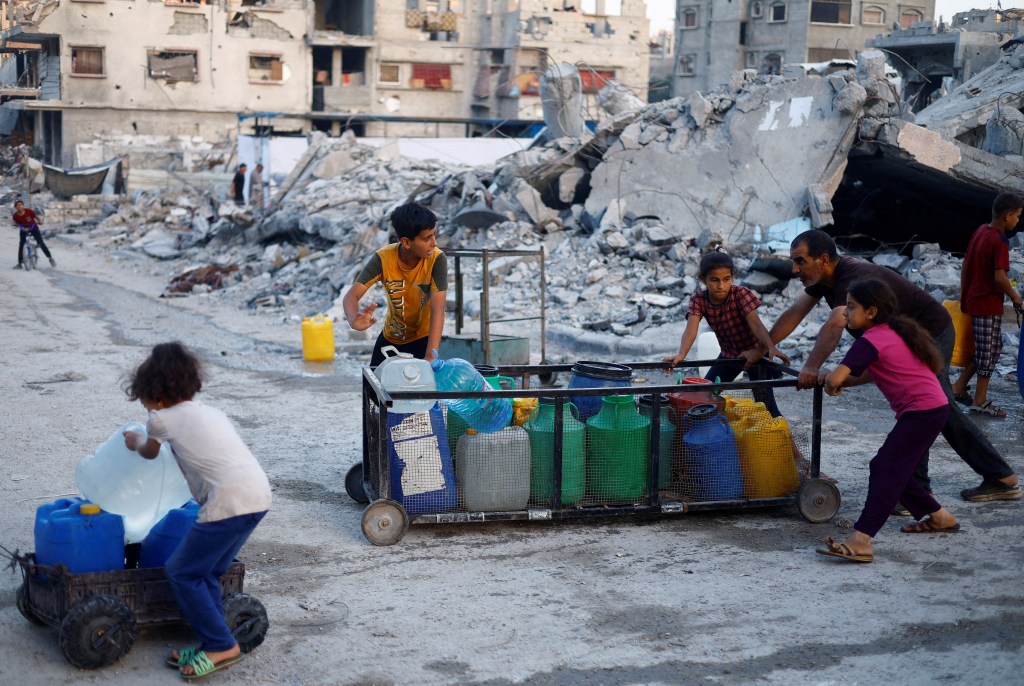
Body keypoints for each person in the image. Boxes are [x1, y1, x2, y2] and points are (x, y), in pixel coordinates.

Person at [760, 229, 1019, 503]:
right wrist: (763, 346)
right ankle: (927, 491)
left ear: (823, 259)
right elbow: (795, 312)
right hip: (900, 339)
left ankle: (995, 478)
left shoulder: (851, 276)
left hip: (929, 333)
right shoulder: (824, 278)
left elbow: (837, 322)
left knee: (930, 407)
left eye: (800, 261)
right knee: (922, 409)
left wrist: (811, 367)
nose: (794, 268)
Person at [122, 342, 271, 680]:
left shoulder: (160, 420)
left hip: (227, 503)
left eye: (143, 398)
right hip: (257, 497)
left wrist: (134, 441)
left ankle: (221, 644)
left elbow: (148, 452)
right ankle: (213, 641)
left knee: (182, 571)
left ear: (153, 394)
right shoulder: (209, 411)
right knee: (206, 572)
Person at [816, 279, 958, 564]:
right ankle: (941, 517)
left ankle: (862, 540)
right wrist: (838, 379)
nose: (845, 314)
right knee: (893, 468)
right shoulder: (891, 332)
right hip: (933, 408)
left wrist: (831, 381)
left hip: (922, 412)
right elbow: (870, 374)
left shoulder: (868, 341)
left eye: (851, 308)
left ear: (871, 311)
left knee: (885, 467)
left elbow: (836, 379)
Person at [663, 249, 790, 416]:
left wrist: (770, 347)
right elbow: (691, 329)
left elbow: (757, 325)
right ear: (704, 279)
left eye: (726, 279)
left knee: (766, 405)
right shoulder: (699, 299)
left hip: (755, 355)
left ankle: (785, 441)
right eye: (714, 280)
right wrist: (681, 354)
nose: (721, 286)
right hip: (729, 355)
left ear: (733, 277)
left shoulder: (740, 294)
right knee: (705, 394)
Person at [342, 202, 447, 368]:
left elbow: (438, 309)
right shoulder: (384, 259)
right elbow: (350, 297)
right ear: (406, 242)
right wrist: (353, 319)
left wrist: (430, 356)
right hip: (391, 339)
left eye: (434, 235)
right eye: (426, 238)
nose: (434, 243)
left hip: (424, 340)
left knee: (421, 390)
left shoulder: (437, 259)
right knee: (373, 387)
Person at [950, 192, 1024, 418]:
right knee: (987, 353)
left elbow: (966, 264)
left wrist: (965, 295)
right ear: (1008, 215)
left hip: (975, 299)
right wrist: (1016, 297)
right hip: (987, 304)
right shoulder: (999, 241)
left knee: (991, 348)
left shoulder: (982, 231)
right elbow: (1000, 278)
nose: (1018, 221)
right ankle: (979, 401)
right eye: (1018, 216)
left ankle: (959, 386)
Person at [12, 200, 56, 268]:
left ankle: (50, 258)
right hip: (23, 230)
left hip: (34, 228)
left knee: (40, 243)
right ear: (15, 207)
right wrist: (15, 224)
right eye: (17, 205)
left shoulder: (29, 211)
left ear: (23, 206)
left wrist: (40, 221)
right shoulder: (15, 215)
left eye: (21, 204)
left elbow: (36, 217)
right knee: (21, 244)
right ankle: (19, 263)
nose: (19, 206)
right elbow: (15, 222)